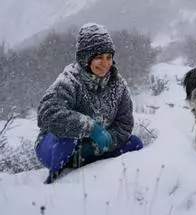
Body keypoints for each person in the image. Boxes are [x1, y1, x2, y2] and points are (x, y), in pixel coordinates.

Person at [35, 23, 143, 184]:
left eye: (108, 57)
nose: (105, 63)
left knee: (134, 143)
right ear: (86, 58)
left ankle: (92, 170)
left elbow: (124, 125)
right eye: (98, 57)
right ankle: (56, 184)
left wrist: (96, 145)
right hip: (55, 144)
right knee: (67, 137)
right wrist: (90, 128)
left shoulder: (118, 85)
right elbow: (46, 113)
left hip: (93, 149)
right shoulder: (70, 80)